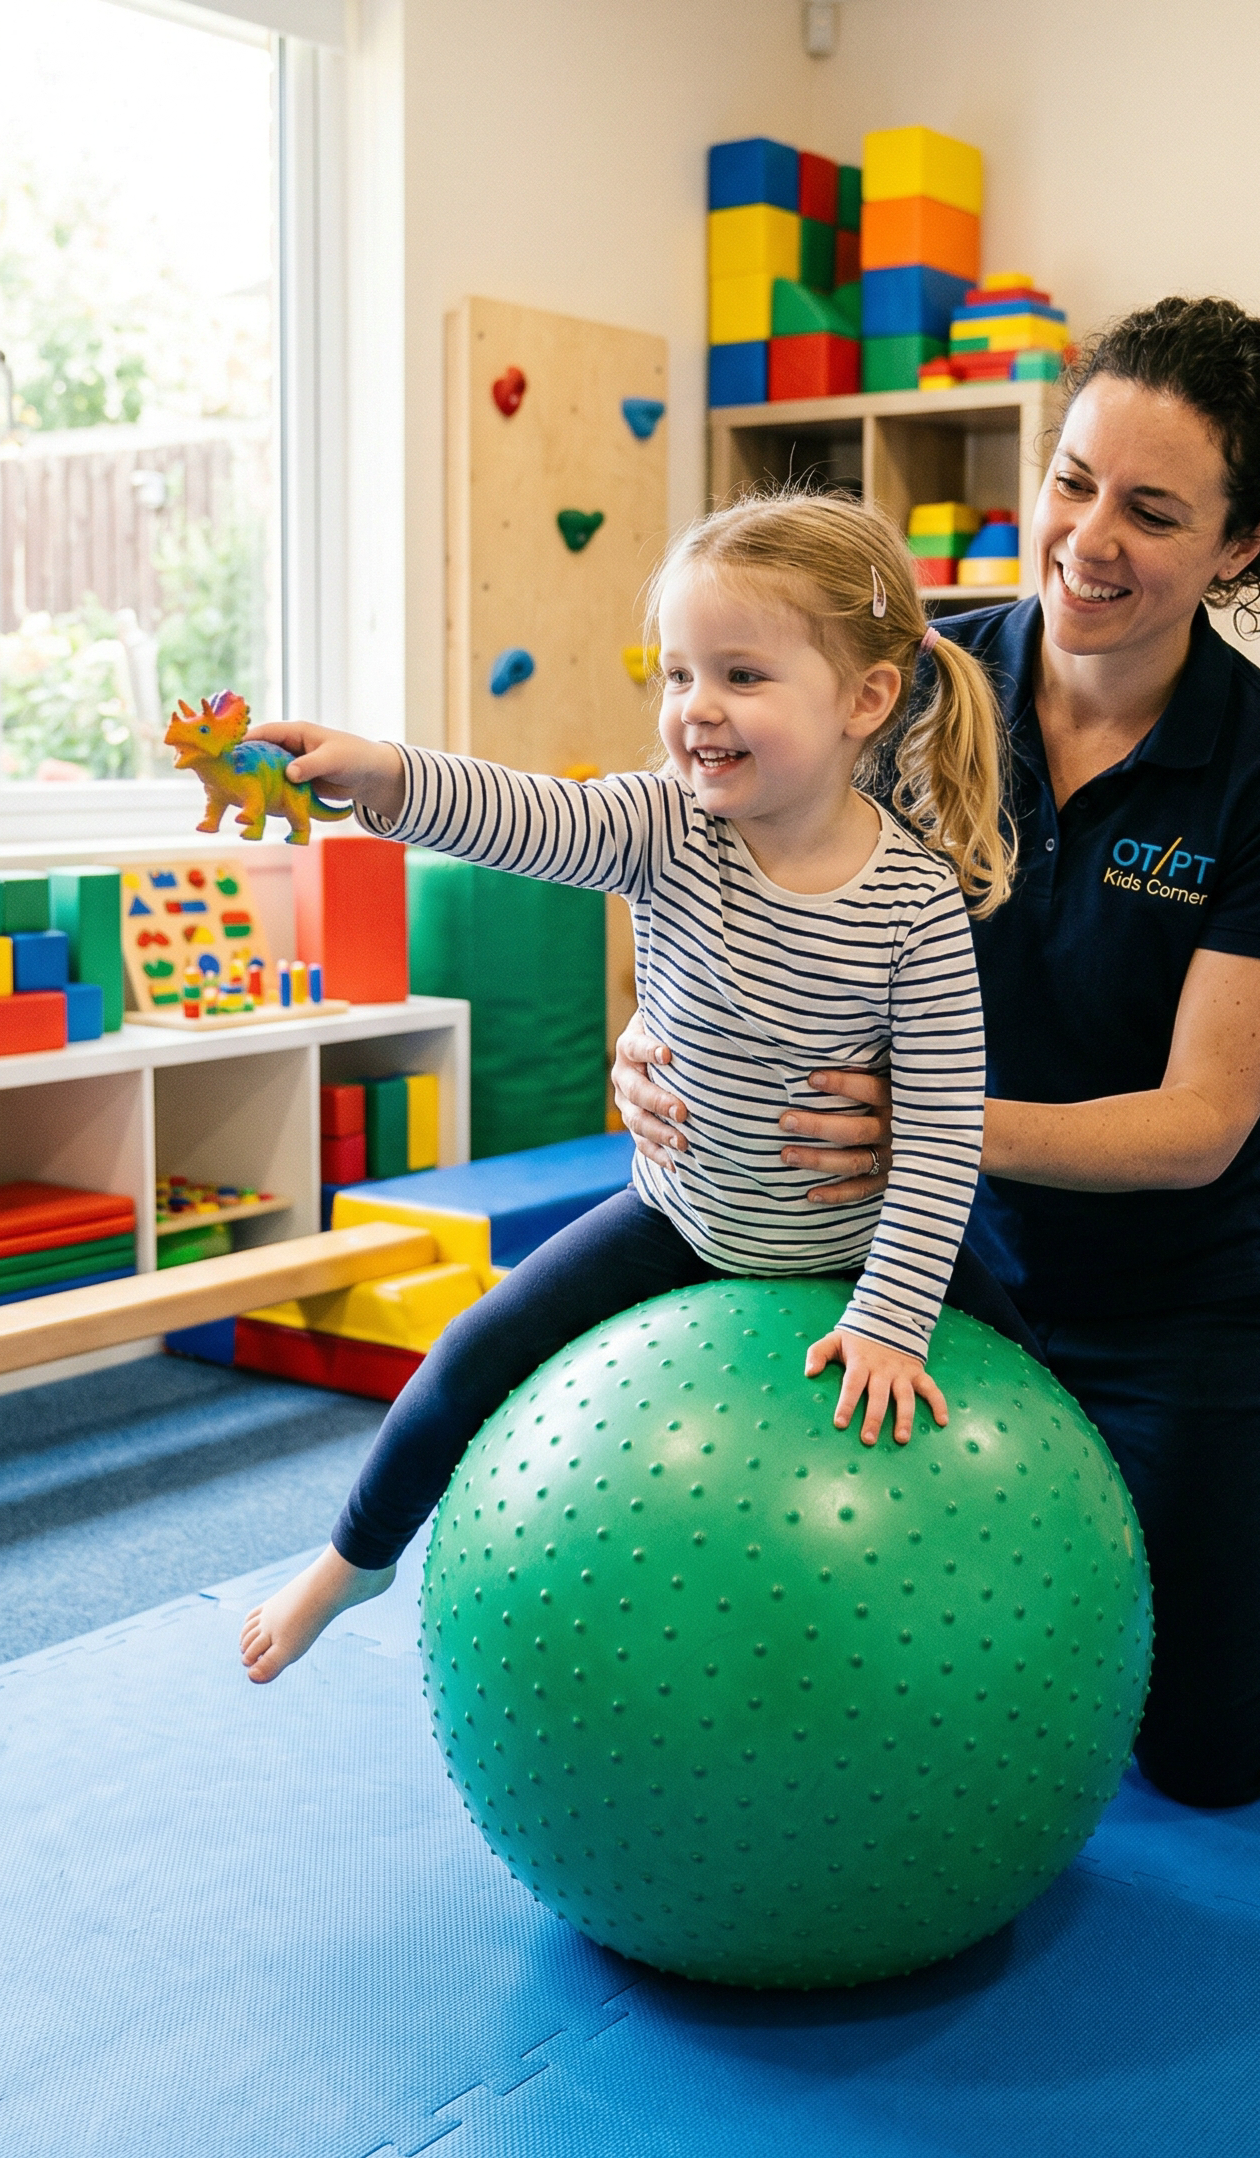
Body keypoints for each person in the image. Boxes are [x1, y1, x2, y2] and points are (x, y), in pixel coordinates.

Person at [615, 296, 1260, 1811]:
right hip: (933, 1263)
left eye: (1153, 509)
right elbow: (715, 867)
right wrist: (653, 1037)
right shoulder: (906, 683)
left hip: (1175, 1298)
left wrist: (927, 1126)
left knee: (1202, 1757)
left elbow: (1196, 1126)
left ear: (1240, 549)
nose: (1087, 537)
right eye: (1072, 478)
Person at [238, 492, 1034, 1685]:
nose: (694, 710)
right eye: (676, 675)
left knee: (1040, 1401)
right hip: (681, 1222)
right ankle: (354, 1559)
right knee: (464, 1356)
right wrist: (383, 775)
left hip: (849, 1244)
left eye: (741, 675)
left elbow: (935, 1135)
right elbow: (526, 815)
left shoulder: (913, 902)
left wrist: (886, 1317)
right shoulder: (664, 825)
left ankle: (1063, 1628)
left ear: (863, 700)